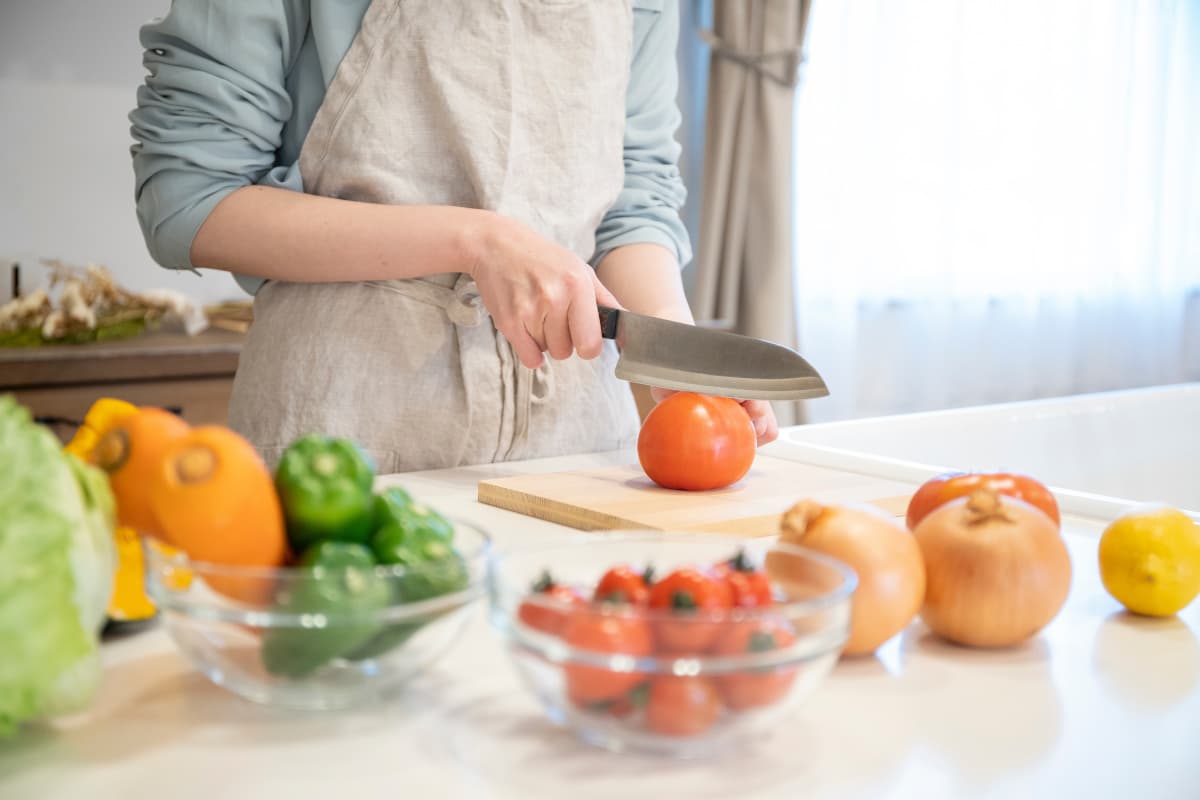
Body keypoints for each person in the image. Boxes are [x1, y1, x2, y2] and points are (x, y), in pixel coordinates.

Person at [130, 0, 778, 473]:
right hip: (342, 446)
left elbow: (632, 200)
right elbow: (191, 202)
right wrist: (477, 242)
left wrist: (671, 338)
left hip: (576, 452)